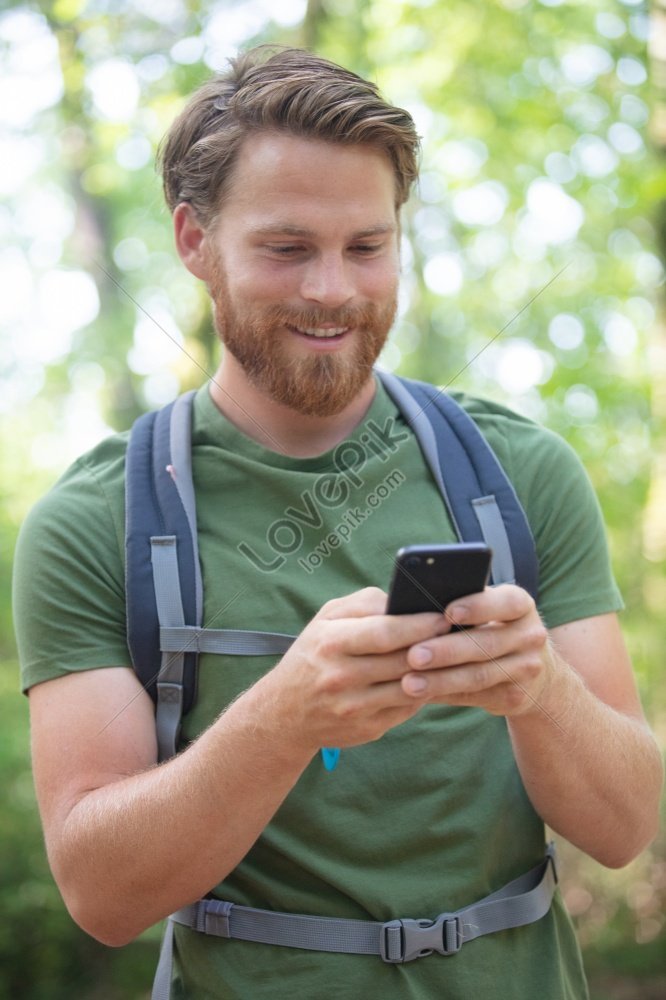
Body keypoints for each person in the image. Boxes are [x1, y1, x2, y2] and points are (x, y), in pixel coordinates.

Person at [13, 45, 662, 1000]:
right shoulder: (94, 520)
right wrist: (282, 719)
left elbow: (625, 827)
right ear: (195, 241)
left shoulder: (520, 473)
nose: (334, 290)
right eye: (287, 249)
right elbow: (102, 896)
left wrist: (542, 690)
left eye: (367, 246)